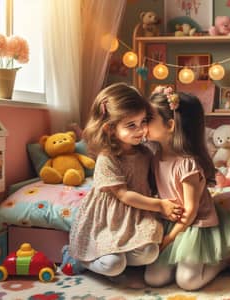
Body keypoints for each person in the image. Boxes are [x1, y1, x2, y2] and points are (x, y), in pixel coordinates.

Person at [61, 82, 183, 277]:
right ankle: (78, 257)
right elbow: (124, 195)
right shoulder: (107, 157)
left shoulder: (145, 151)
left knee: (149, 253)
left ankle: (121, 255)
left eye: (143, 121)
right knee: (113, 266)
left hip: (135, 217)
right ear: (110, 128)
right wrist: (160, 205)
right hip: (110, 218)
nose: (141, 130)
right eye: (131, 125)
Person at [144, 86, 230, 291]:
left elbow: (191, 211)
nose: (143, 124)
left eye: (149, 119)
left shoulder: (187, 164)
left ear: (169, 125)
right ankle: (179, 261)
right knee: (153, 279)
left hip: (194, 225)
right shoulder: (155, 156)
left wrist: (167, 240)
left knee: (188, 282)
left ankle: (220, 264)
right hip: (172, 221)